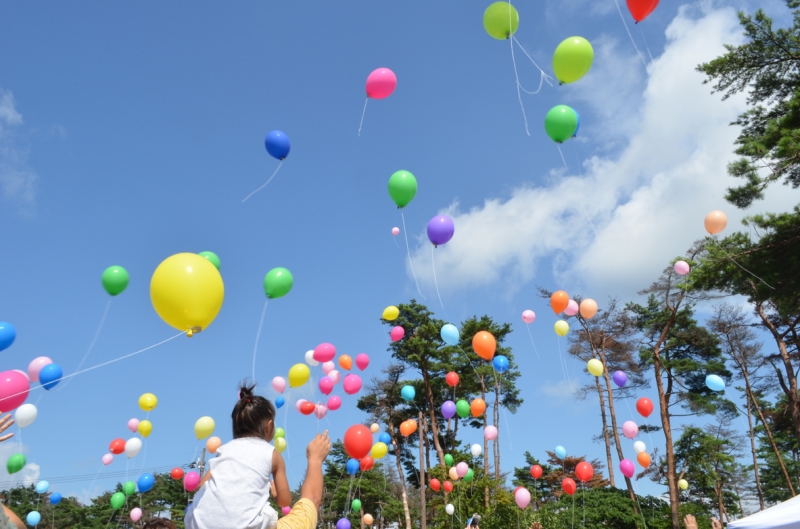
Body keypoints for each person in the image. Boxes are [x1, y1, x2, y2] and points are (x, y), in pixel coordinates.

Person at [186, 382, 331, 529]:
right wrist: (276, 495)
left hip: (198, 524)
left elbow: (201, 487)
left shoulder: (223, 451)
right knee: (304, 511)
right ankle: (315, 459)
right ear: (269, 426)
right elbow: (285, 501)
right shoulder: (272, 453)